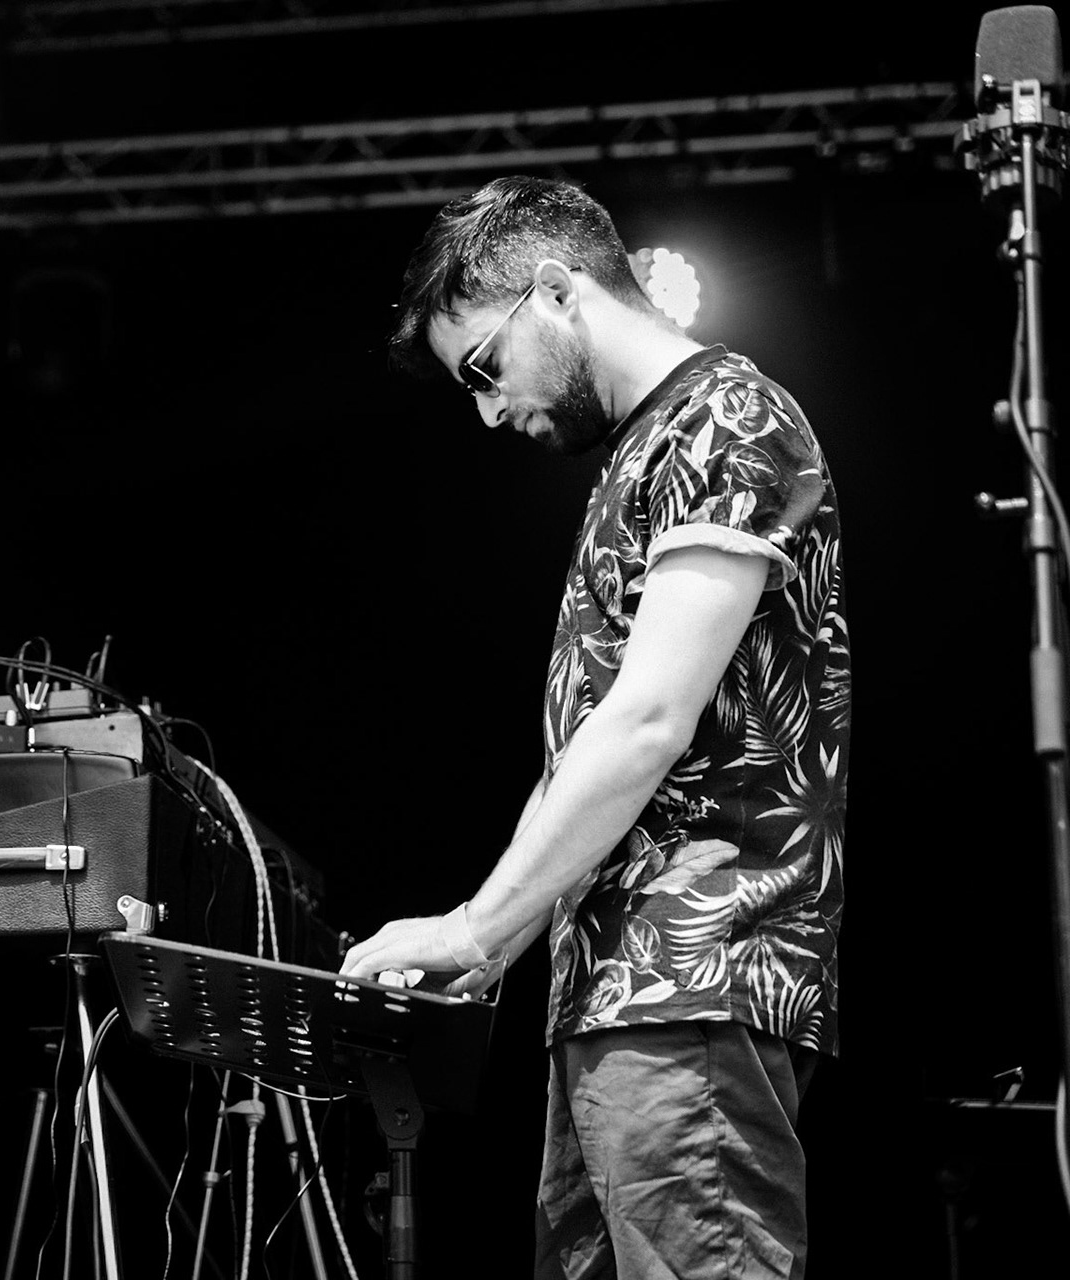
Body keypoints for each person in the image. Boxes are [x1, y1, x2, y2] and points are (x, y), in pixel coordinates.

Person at [339, 177, 848, 1279]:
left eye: (482, 367)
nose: (486, 410)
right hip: (620, 994)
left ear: (559, 290)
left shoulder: (728, 414)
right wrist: (488, 954)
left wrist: (474, 930)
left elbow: (648, 720)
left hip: (694, 975)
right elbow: (591, 750)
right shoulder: (642, 449)